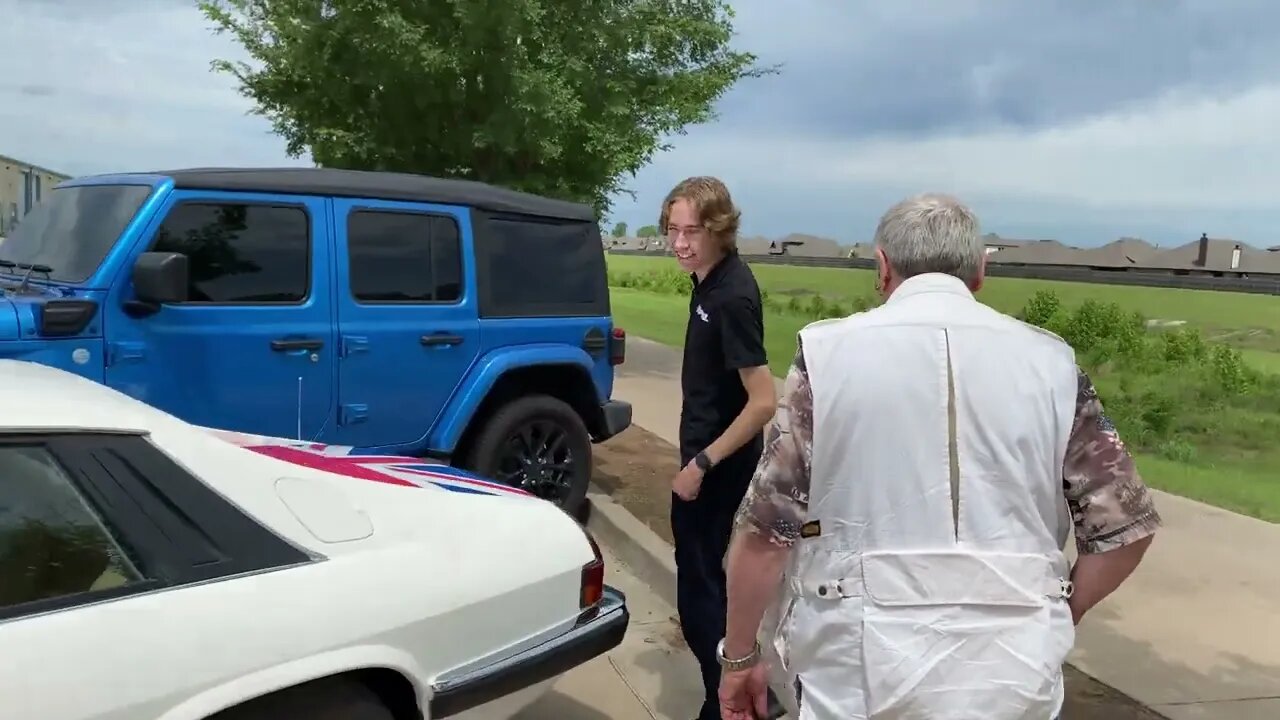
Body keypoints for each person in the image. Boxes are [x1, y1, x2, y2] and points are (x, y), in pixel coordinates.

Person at [715, 193, 1163, 720]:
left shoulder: (828, 353)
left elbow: (767, 531)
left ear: (882, 267)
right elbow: (1126, 527)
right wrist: (1061, 612)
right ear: (980, 271)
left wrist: (740, 655)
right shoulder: (1053, 363)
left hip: (857, 667)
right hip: (1015, 669)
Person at [661, 176, 779, 720]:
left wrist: (701, 464)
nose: (680, 242)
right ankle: (748, 690)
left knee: (700, 591)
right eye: (673, 229)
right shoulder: (707, 281)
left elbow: (763, 400)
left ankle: (727, 703)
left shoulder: (730, 295)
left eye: (693, 232)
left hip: (716, 465)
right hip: (705, 456)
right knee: (709, 580)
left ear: (720, 231)